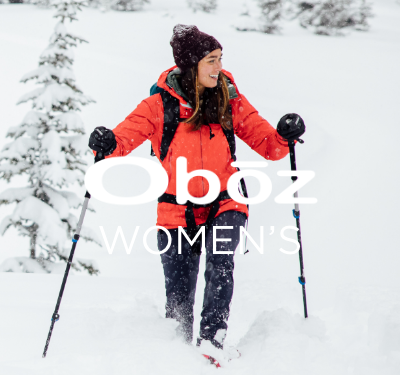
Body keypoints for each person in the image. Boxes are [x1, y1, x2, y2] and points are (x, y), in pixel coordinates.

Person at [89, 24, 305, 354]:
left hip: (226, 200)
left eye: (220, 59)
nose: (219, 67)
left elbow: (270, 146)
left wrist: (284, 135)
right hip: (176, 209)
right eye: (211, 61)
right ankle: (176, 352)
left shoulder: (230, 99)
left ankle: (212, 341)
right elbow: (122, 140)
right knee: (178, 294)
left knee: (221, 265)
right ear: (192, 66)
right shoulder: (159, 106)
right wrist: (106, 144)